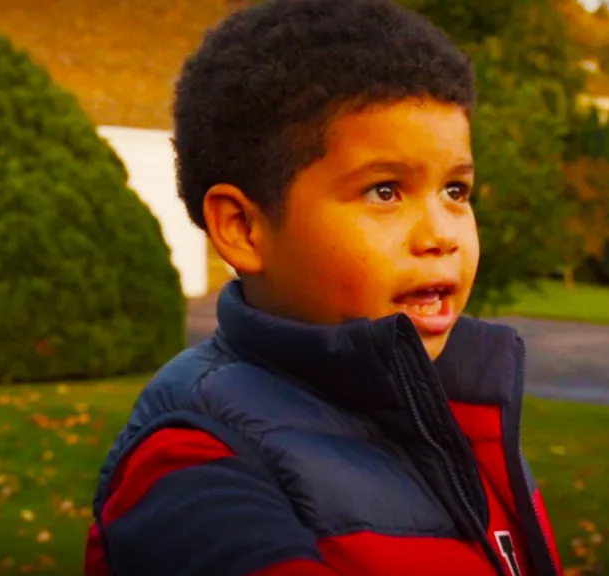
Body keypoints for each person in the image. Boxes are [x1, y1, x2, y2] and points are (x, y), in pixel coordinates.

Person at [85, 0, 562, 574]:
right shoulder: (193, 467)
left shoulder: (461, 416)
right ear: (244, 229)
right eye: (385, 191)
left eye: (455, 191)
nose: (441, 234)